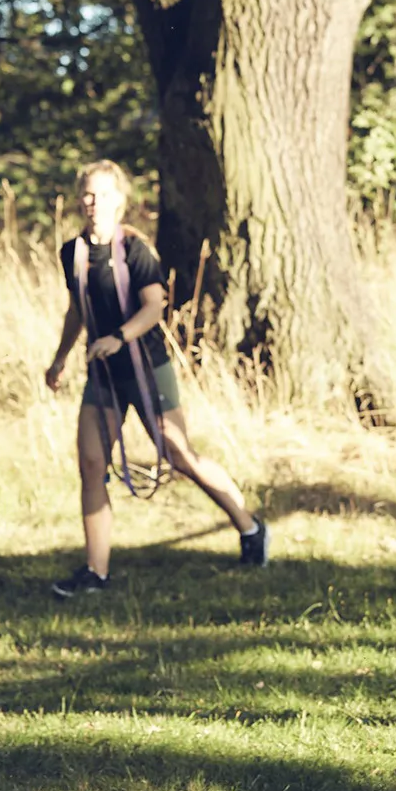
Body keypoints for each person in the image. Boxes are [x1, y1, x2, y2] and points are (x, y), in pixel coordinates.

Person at [44, 160, 268, 596]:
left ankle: (249, 526)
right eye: (89, 194)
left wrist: (117, 337)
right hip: (103, 373)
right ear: (80, 199)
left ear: (120, 201)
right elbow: (78, 310)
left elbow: (154, 307)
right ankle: (96, 572)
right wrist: (60, 359)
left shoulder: (135, 250)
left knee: (180, 456)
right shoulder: (73, 253)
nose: (95, 203)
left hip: (146, 369)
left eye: (105, 194)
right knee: (91, 464)